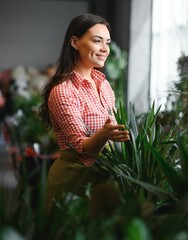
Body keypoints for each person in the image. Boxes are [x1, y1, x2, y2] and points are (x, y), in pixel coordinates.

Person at [38, 13, 130, 211]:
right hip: (73, 181)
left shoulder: (103, 84)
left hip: (103, 178)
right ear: (75, 42)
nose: (105, 49)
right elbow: (82, 147)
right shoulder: (63, 91)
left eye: (107, 42)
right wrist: (105, 134)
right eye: (97, 41)